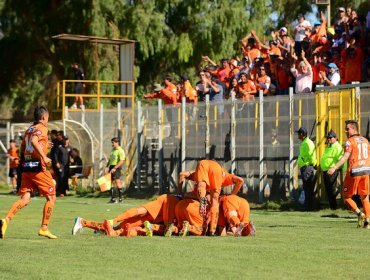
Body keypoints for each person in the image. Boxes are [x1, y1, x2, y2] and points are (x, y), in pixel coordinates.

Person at [0, 106, 57, 239]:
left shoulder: (29, 130)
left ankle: (6, 220)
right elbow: (34, 141)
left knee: (25, 199)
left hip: (27, 166)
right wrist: (44, 156)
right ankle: (44, 228)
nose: (47, 120)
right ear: (43, 117)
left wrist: (45, 145)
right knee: (51, 196)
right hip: (38, 168)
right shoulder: (43, 128)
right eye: (48, 117)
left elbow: (24, 147)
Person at [178, 160, 244, 236]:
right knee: (214, 202)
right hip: (218, 170)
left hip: (203, 166)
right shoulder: (224, 175)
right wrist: (232, 196)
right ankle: (212, 230)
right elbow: (240, 180)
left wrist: (180, 194)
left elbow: (182, 174)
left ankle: (202, 198)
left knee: (201, 186)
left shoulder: (197, 173)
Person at [72, 194, 180, 237]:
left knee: (123, 227)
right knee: (141, 211)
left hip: (163, 216)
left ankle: (83, 222)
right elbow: (183, 175)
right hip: (168, 202)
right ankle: (112, 221)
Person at [328, 120, 370, 228]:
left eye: (347, 128)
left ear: (354, 129)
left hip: (355, 171)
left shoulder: (350, 141)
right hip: (366, 171)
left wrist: (334, 167)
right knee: (365, 197)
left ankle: (359, 214)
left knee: (347, 197)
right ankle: (368, 222)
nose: (345, 131)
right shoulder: (365, 141)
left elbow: (346, 156)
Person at [319, 130, 344, 210]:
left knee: (332, 189)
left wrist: (335, 168)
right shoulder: (329, 146)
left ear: (335, 138)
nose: (328, 139)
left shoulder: (338, 147)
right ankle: (332, 206)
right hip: (326, 170)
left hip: (332, 170)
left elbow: (341, 160)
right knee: (328, 189)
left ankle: (334, 207)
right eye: (328, 138)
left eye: (330, 138)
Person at [296, 127, 317, 211]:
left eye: (298, 134)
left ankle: (308, 206)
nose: (298, 135)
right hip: (305, 166)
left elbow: (312, 155)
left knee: (308, 187)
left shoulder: (308, 143)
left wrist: (312, 164)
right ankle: (307, 205)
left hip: (307, 167)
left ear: (302, 134)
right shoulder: (305, 142)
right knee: (307, 187)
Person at [106, 137, 125, 204]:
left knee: (117, 181)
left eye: (113, 142)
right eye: (112, 142)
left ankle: (120, 198)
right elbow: (110, 159)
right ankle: (113, 199)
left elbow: (122, 160)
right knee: (110, 182)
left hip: (116, 167)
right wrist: (107, 166)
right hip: (111, 166)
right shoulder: (113, 150)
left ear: (117, 142)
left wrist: (115, 168)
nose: (112, 144)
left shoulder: (120, 150)